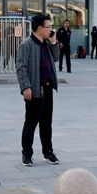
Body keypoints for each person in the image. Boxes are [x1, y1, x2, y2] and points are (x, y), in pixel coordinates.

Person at [16, 14, 60, 167]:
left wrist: (54, 43)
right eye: (49, 27)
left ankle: (48, 152)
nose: (51, 30)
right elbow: (21, 68)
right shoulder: (26, 45)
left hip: (48, 88)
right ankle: (27, 154)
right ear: (40, 28)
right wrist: (25, 87)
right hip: (35, 89)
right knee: (31, 123)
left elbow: (56, 58)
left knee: (47, 123)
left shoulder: (47, 43)